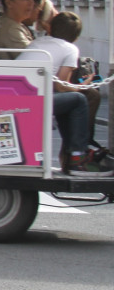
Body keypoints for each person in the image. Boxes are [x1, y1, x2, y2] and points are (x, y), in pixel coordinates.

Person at [18, 12, 112, 173]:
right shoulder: (70, 49)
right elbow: (62, 85)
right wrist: (85, 85)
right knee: (78, 100)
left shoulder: (38, 42)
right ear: (75, 37)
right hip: (35, 100)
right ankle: (77, 156)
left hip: (18, 95)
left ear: (51, 28)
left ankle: (72, 152)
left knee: (69, 101)